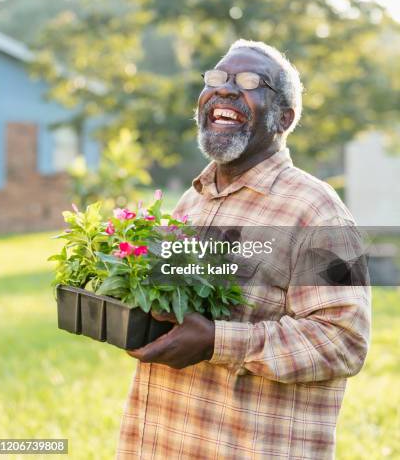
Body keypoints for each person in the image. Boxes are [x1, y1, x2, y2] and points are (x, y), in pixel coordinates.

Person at [117, 39, 371, 459]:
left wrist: (218, 340)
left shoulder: (317, 211)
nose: (226, 89)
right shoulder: (193, 200)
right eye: (217, 78)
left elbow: (343, 341)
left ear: (283, 119)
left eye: (252, 81)